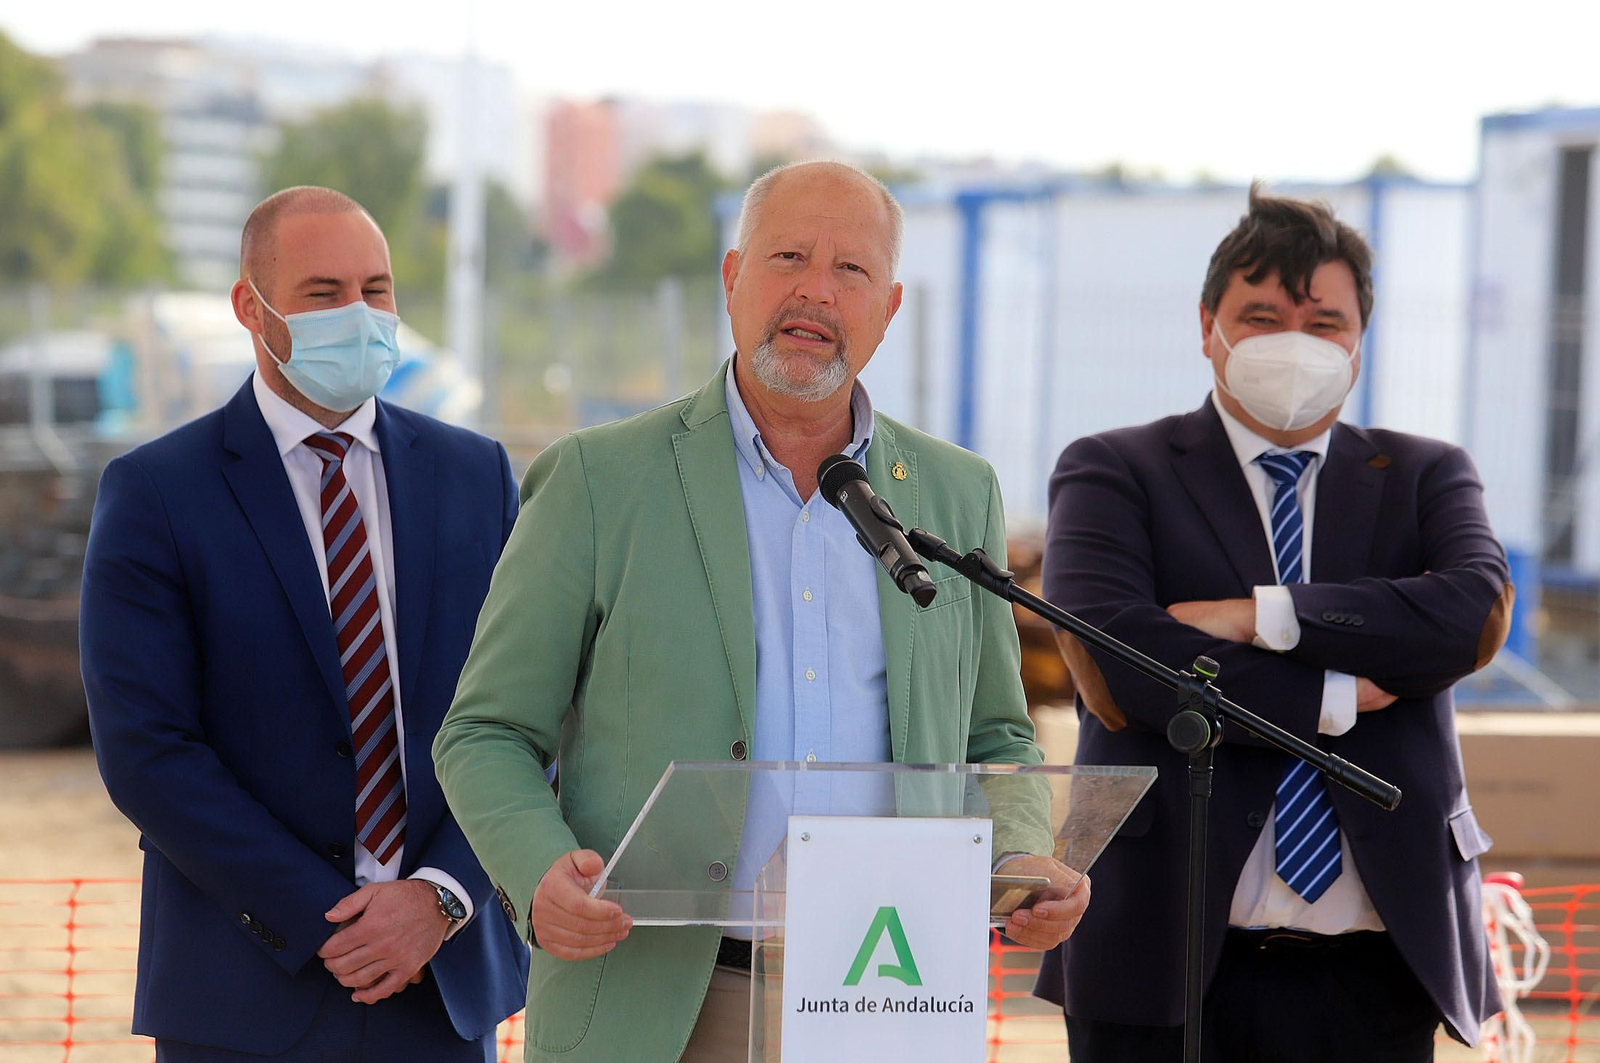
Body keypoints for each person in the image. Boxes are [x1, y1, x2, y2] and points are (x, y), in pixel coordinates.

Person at [433, 160, 1091, 1063]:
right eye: (788, 256)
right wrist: (537, 869)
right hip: (659, 999)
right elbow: (485, 730)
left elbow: (998, 738)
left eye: (851, 270)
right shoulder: (600, 478)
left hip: (892, 993)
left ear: (889, 309)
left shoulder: (953, 490)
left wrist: (1017, 856)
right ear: (733, 278)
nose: (816, 290)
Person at [1033, 183, 1513, 1061]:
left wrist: (1265, 614)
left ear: (1359, 344)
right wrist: (1332, 691)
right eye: (1261, 314)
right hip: (1161, 957)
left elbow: (1469, 617)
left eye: (1323, 322)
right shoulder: (1114, 468)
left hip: (1378, 968)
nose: (1294, 343)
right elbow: (1117, 659)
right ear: (1207, 323)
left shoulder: (1425, 475)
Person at [79, 186, 529, 1062]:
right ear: (253, 306)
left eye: (377, 288)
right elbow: (148, 751)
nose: (359, 315)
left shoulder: (477, 477)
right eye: (324, 293)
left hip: (440, 990)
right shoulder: (158, 494)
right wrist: (328, 920)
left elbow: (529, 716)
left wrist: (438, 897)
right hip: (245, 994)